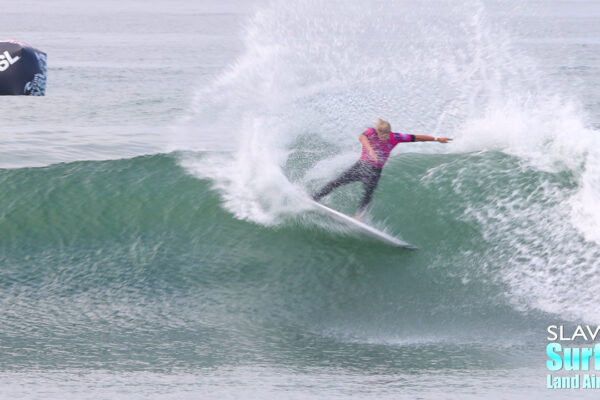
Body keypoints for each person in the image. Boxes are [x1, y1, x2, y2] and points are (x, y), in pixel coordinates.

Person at [312, 119, 452, 219]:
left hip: (375, 171)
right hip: (361, 166)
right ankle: (314, 198)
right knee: (337, 182)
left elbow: (416, 137)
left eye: (386, 134)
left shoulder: (395, 137)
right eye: (382, 134)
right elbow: (362, 138)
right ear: (377, 132)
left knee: (368, 193)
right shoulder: (371, 133)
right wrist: (371, 150)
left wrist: (437, 139)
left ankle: (358, 217)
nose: (384, 137)